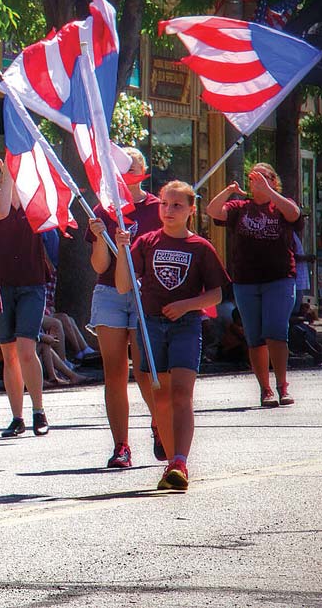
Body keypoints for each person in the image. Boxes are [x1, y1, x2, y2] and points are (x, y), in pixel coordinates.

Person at [115, 180, 229, 492]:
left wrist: (186, 305)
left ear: (191, 210)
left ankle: (180, 460)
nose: (168, 210)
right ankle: (170, 465)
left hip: (185, 326)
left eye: (177, 205)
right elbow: (124, 285)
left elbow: (217, 294)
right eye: (165, 204)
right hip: (151, 324)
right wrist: (123, 250)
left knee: (181, 394)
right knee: (161, 397)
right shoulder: (147, 241)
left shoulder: (200, 247)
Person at [85, 147, 164, 469]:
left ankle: (160, 426)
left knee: (145, 370)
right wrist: (101, 238)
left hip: (146, 293)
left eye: (133, 170)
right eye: (121, 171)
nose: (127, 177)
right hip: (109, 293)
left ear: (143, 171)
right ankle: (121, 446)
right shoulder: (102, 209)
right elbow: (99, 265)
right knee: (114, 372)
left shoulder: (159, 208)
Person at [207, 163, 302, 407]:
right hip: (246, 281)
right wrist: (229, 190)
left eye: (265, 176)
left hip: (279, 278)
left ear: (274, 179)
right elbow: (213, 210)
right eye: (254, 177)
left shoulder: (279, 204)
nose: (258, 180)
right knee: (255, 337)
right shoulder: (240, 208)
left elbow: (294, 214)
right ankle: (265, 389)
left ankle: (282, 385)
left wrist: (269, 192)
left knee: (276, 331)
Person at [0, 158, 52, 438]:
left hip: (32, 284)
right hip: (2, 286)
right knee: (8, 353)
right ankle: (17, 417)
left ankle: (39, 410)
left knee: (26, 348)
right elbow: (0, 211)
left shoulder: (35, 203)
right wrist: (7, 178)